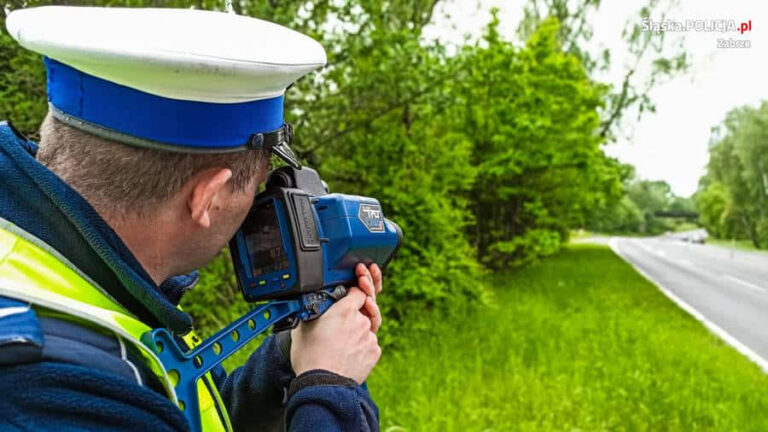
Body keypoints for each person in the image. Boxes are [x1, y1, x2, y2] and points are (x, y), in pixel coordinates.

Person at [0, 6, 382, 432]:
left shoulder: (95, 287)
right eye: (255, 186)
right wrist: (332, 391)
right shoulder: (47, 388)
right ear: (210, 197)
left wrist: (287, 362)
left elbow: (171, 409)